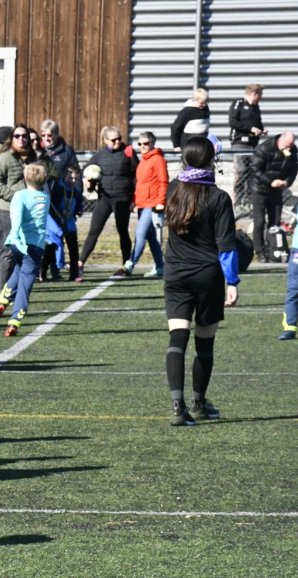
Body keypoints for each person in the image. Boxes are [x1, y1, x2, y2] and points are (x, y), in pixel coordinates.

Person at [162, 136, 238, 426]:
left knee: (177, 338)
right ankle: (197, 403)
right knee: (204, 343)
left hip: (175, 273)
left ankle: (176, 405)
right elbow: (226, 246)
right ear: (211, 161)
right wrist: (232, 282)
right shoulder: (218, 197)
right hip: (207, 275)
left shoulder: (173, 189)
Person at [0, 124, 51, 288]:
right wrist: (14, 197)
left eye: (24, 136)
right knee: (8, 250)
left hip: (30, 211)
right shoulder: (4, 158)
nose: (21, 139)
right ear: (11, 138)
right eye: (17, 136)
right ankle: (4, 289)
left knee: (28, 248)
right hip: (7, 209)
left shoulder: (33, 158)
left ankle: (19, 287)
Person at [0, 164, 49, 337]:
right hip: (35, 245)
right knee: (25, 284)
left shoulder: (20, 195)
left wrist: (15, 237)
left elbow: (16, 217)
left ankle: (3, 300)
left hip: (17, 244)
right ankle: (15, 321)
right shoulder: (45, 197)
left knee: (19, 268)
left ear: (24, 178)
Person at [78, 126, 138, 275]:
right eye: (113, 140)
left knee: (122, 231)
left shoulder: (127, 152)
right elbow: (86, 170)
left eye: (119, 138)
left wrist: (134, 199)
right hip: (104, 198)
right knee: (94, 231)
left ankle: (126, 266)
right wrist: (87, 180)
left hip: (122, 198)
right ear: (105, 140)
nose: (117, 142)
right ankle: (80, 262)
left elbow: (138, 173)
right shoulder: (100, 155)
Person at [245, 131, 297, 262]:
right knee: (259, 221)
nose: (289, 148)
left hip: (277, 190)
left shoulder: (292, 150)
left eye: (291, 145)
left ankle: (273, 249)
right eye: (287, 145)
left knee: (275, 222)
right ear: (280, 140)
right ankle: (260, 252)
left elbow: (293, 169)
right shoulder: (264, 148)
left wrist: (286, 182)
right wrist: (270, 181)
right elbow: (255, 169)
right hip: (259, 189)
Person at [39, 120, 81, 281]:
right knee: (52, 237)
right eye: (43, 135)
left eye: (50, 135)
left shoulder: (66, 150)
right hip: (46, 200)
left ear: (56, 135)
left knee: (71, 235)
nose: (46, 138)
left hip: (64, 200)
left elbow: (76, 174)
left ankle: (74, 272)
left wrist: (77, 203)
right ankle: (45, 271)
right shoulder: (38, 151)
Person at [125, 131, 169, 278]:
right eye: (140, 144)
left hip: (152, 203)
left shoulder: (158, 160)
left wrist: (160, 202)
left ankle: (130, 264)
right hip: (142, 204)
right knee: (151, 237)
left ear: (152, 143)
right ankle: (160, 267)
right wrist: (134, 201)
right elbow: (139, 184)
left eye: (146, 143)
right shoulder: (143, 161)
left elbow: (164, 182)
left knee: (140, 233)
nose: (143, 146)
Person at [229, 84, 266, 208]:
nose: (261, 98)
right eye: (260, 95)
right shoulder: (238, 103)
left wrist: (262, 130)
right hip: (240, 143)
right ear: (254, 94)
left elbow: (258, 123)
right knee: (241, 170)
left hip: (253, 145)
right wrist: (250, 128)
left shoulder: (256, 107)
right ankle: (237, 201)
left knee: (253, 172)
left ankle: (249, 200)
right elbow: (233, 122)